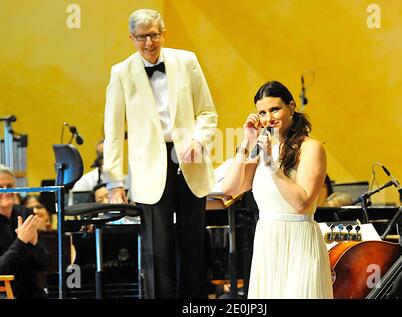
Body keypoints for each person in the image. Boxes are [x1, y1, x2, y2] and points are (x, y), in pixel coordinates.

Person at [103, 9, 217, 299]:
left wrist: (198, 141)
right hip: (148, 169)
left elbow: (207, 111)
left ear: (163, 33)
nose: (149, 43)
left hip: (188, 160)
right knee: (158, 249)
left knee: (193, 245)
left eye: (153, 35)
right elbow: (113, 132)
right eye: (141, 37)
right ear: (131, 38)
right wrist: (114, 183)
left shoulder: (187, 61)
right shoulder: (121, 72)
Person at [222, 81, 333, 298]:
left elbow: (301, 203)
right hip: (268, 242)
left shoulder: (311, 148)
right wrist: (247, 141)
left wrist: (272, 166)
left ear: (291, 107)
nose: (268, 118)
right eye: (262, 113)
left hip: (300, 241)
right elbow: (230, 188)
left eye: (274, 109)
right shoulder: (264, 148)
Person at [0, 165, 49, 298]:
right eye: (1, 187)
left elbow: (44, 264)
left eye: (9, 186)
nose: (6, 191)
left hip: (31, 290)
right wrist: (21, 241)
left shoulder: (25, 213)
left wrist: (34, 244)